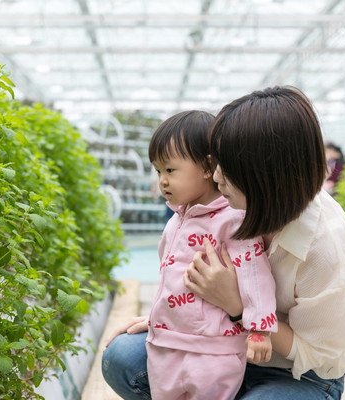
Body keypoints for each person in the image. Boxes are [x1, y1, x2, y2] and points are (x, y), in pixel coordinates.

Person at [102, 86, 345, 400]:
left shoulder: (325, 249)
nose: (217, 177)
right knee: (122, 357)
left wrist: (238, 307)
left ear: (264, 174)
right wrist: (171, 321)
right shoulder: (230, 208)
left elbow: (315, 353)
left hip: (297, 375)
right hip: (222, 346)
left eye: (228, 166)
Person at [113, 110, 278, 400]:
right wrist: (156, 317)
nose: (162, 181)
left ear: (207, 167)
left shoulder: (232, 220)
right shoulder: (175, 221)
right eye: (158, 171)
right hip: (165, 343)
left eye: (170, 170)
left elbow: (255, 274)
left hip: (213, 349)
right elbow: (167, 278)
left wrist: (259, 330)